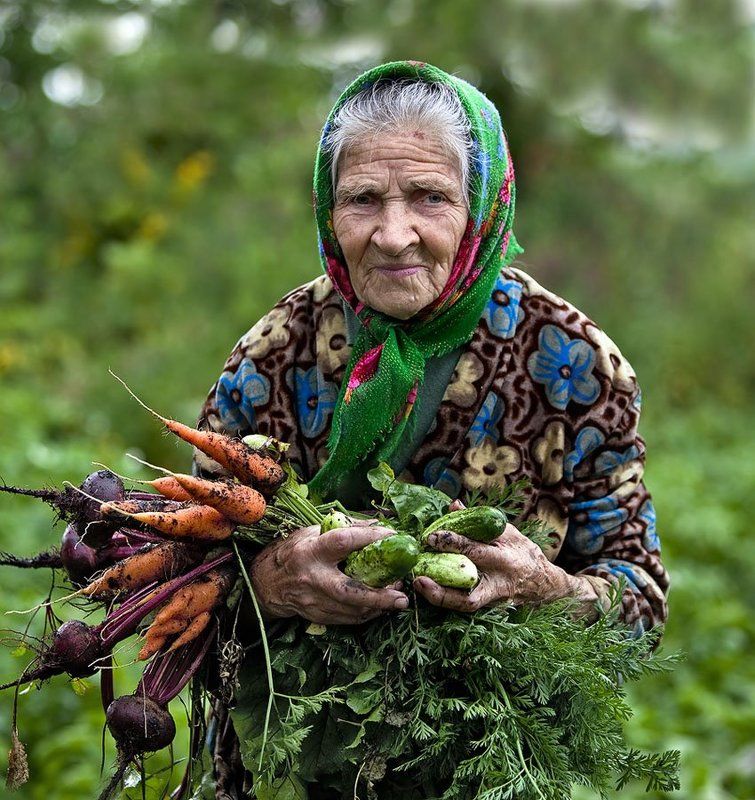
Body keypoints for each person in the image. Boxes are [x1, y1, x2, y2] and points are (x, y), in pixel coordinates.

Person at [194, 60, 669, 797]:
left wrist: (541, 587)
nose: (393, 235)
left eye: (428, 197)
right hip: (288, 765)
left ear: (480, 205)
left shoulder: (572, 362)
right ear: (328, 210)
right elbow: (186, 566)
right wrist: (270, 581)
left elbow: (639, 606)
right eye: (362, 199)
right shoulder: (277, 349)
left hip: (488, 768)